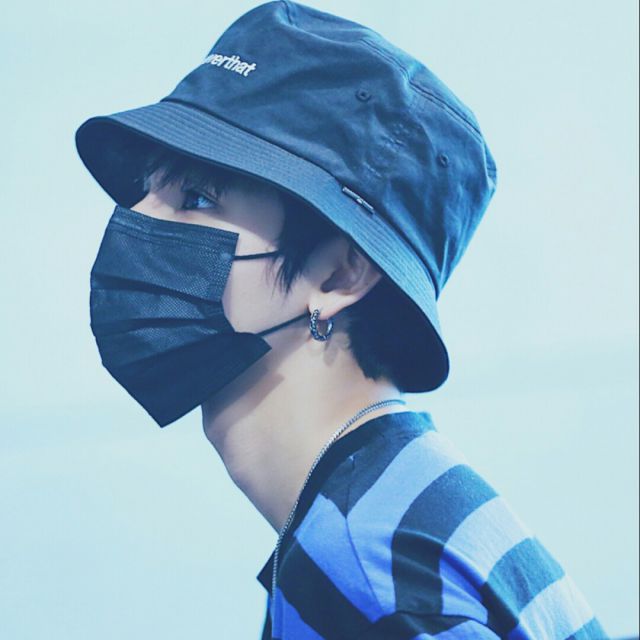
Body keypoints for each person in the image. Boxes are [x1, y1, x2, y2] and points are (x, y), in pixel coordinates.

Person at [75, 1, 609, 638]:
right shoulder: (401, 508)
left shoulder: (368, 575)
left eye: (197, 198)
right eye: (145, 188)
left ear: (338, 276)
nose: (137, 220)